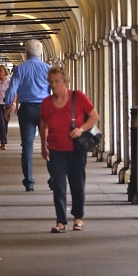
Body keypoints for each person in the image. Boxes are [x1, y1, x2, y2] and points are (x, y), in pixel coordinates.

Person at [40, 66, 100, 233]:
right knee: (58, 185)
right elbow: (43, 125)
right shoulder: (46, 104)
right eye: (51, 82)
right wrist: (43, 146)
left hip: (76, 149)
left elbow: (95, 116)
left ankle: (78, 218)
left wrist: (81, 129)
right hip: (55, 149)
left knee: (77, 184)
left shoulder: (78, 97)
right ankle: (61, 221)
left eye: (57, 81)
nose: (54, 85)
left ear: (66, 82)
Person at [3, 39, 51, 191]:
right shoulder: (48, 68)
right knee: (51, 144)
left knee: (27, 146)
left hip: (27, 109)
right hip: (46, 108)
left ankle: (29, 182)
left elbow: (12, 88)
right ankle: (54, 179)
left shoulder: (21, 68)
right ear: (41, 52)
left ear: (26, 53)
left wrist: (8, 105)